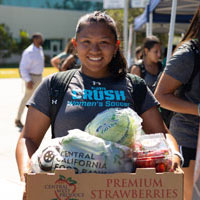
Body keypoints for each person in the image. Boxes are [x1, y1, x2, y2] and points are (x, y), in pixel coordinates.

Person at [15, 11, 182, 197]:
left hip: (122, 192)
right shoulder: (55, 85)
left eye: (104, 42)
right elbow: (28, 138)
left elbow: (162, 135)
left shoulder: (134, 86)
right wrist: (26, 177)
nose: (94, 50)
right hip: (69, 191)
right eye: (86, 42)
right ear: (75, 44)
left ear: (115, 46)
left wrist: (174, 155)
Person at [154, 6, 200, 200]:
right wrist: (198, 109)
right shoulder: (189, 54)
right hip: (189, 142)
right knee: (189, 197)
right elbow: (161, 96)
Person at [15, 32, 44, 128]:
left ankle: (34, 120)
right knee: (26, 99)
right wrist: (28, 80)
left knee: (37, 100)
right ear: (35, 39)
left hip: (39, 77)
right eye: (40, 38)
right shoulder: (29, 51)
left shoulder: (40, 49)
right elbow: (22, 68)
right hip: (31, 78)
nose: (42, 40)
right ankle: (18, 119)